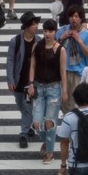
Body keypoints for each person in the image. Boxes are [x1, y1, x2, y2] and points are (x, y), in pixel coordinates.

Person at [28, 17, 66, 164]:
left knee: (50, 123)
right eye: (45, 31)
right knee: (37, 123)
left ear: (55, 32)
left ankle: (50, 152)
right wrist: (31, 84)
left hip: (54, 88)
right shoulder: (37, 46)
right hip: (38, 86)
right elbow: (32, 66)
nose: (47, 34)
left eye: (50, 31)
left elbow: (63, 72)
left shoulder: (61, 49)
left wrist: (65, 91)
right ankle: (46, 142)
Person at [6, 11, 40, 149]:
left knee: (27, 107)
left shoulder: (39, 41)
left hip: (31, 82)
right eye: (33, 24)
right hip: (18, 79)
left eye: (36, 23)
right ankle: (29, 125)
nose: (36, 26)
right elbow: (10, 61)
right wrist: (10, 80)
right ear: (26, 26)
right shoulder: (16, 41)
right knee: (20, 104)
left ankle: (23, 134)